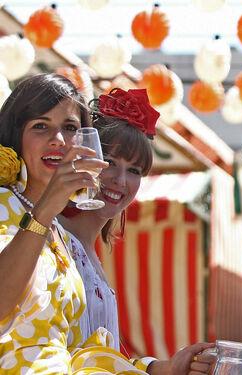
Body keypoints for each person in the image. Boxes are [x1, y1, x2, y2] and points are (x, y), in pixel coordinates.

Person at [58, 87, 214, 374]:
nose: (120, 180)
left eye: (134, 171)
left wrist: (168, 367)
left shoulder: (90, 252)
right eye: (110, 163)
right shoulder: (52, 238)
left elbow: (105, 359)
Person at [0, 73, 134, 373]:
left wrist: (157, 367)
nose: (58, 140)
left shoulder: (60, 233)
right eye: (40, 126)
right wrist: (45, 210)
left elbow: (73, 345)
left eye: (70, 128)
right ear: (15, 135)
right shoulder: (4, 202)